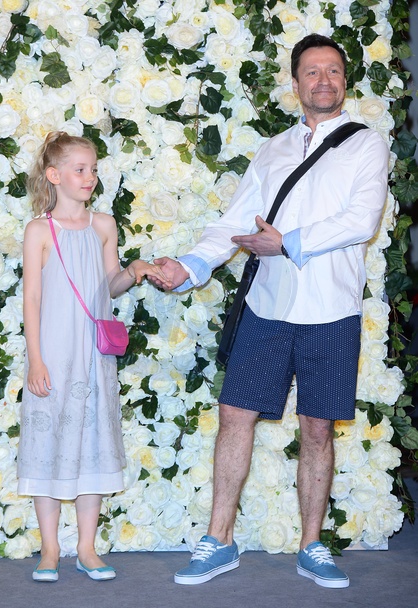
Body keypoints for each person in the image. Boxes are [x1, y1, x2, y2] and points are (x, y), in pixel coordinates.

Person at [150, 34, 389, 588]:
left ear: (345, 81)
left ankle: (311, 545)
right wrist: (190, 265)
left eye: (333, 70)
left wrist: (286, 242)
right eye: (312, 71)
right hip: (268, 307)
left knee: (317, 428)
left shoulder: (366, 144)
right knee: (235, 415)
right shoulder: (273, 149)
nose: (324, 80)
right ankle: (219, 539)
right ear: (296, 82)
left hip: (331, 308)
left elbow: (361, 220)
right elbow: (235, 222)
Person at [17, 132, 165, 582]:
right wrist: (36, 360)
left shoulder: (103, 225)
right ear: (54, 175)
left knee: (92, 446)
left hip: (93, 358)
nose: (90, 177)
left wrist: (133, 272)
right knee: (48, 445)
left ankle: (86, 547)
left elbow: (109, 285)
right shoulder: (39, 231)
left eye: (94, 169)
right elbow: (32, 299)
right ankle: (49, 548)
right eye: (80, 169)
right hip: (53, 355)